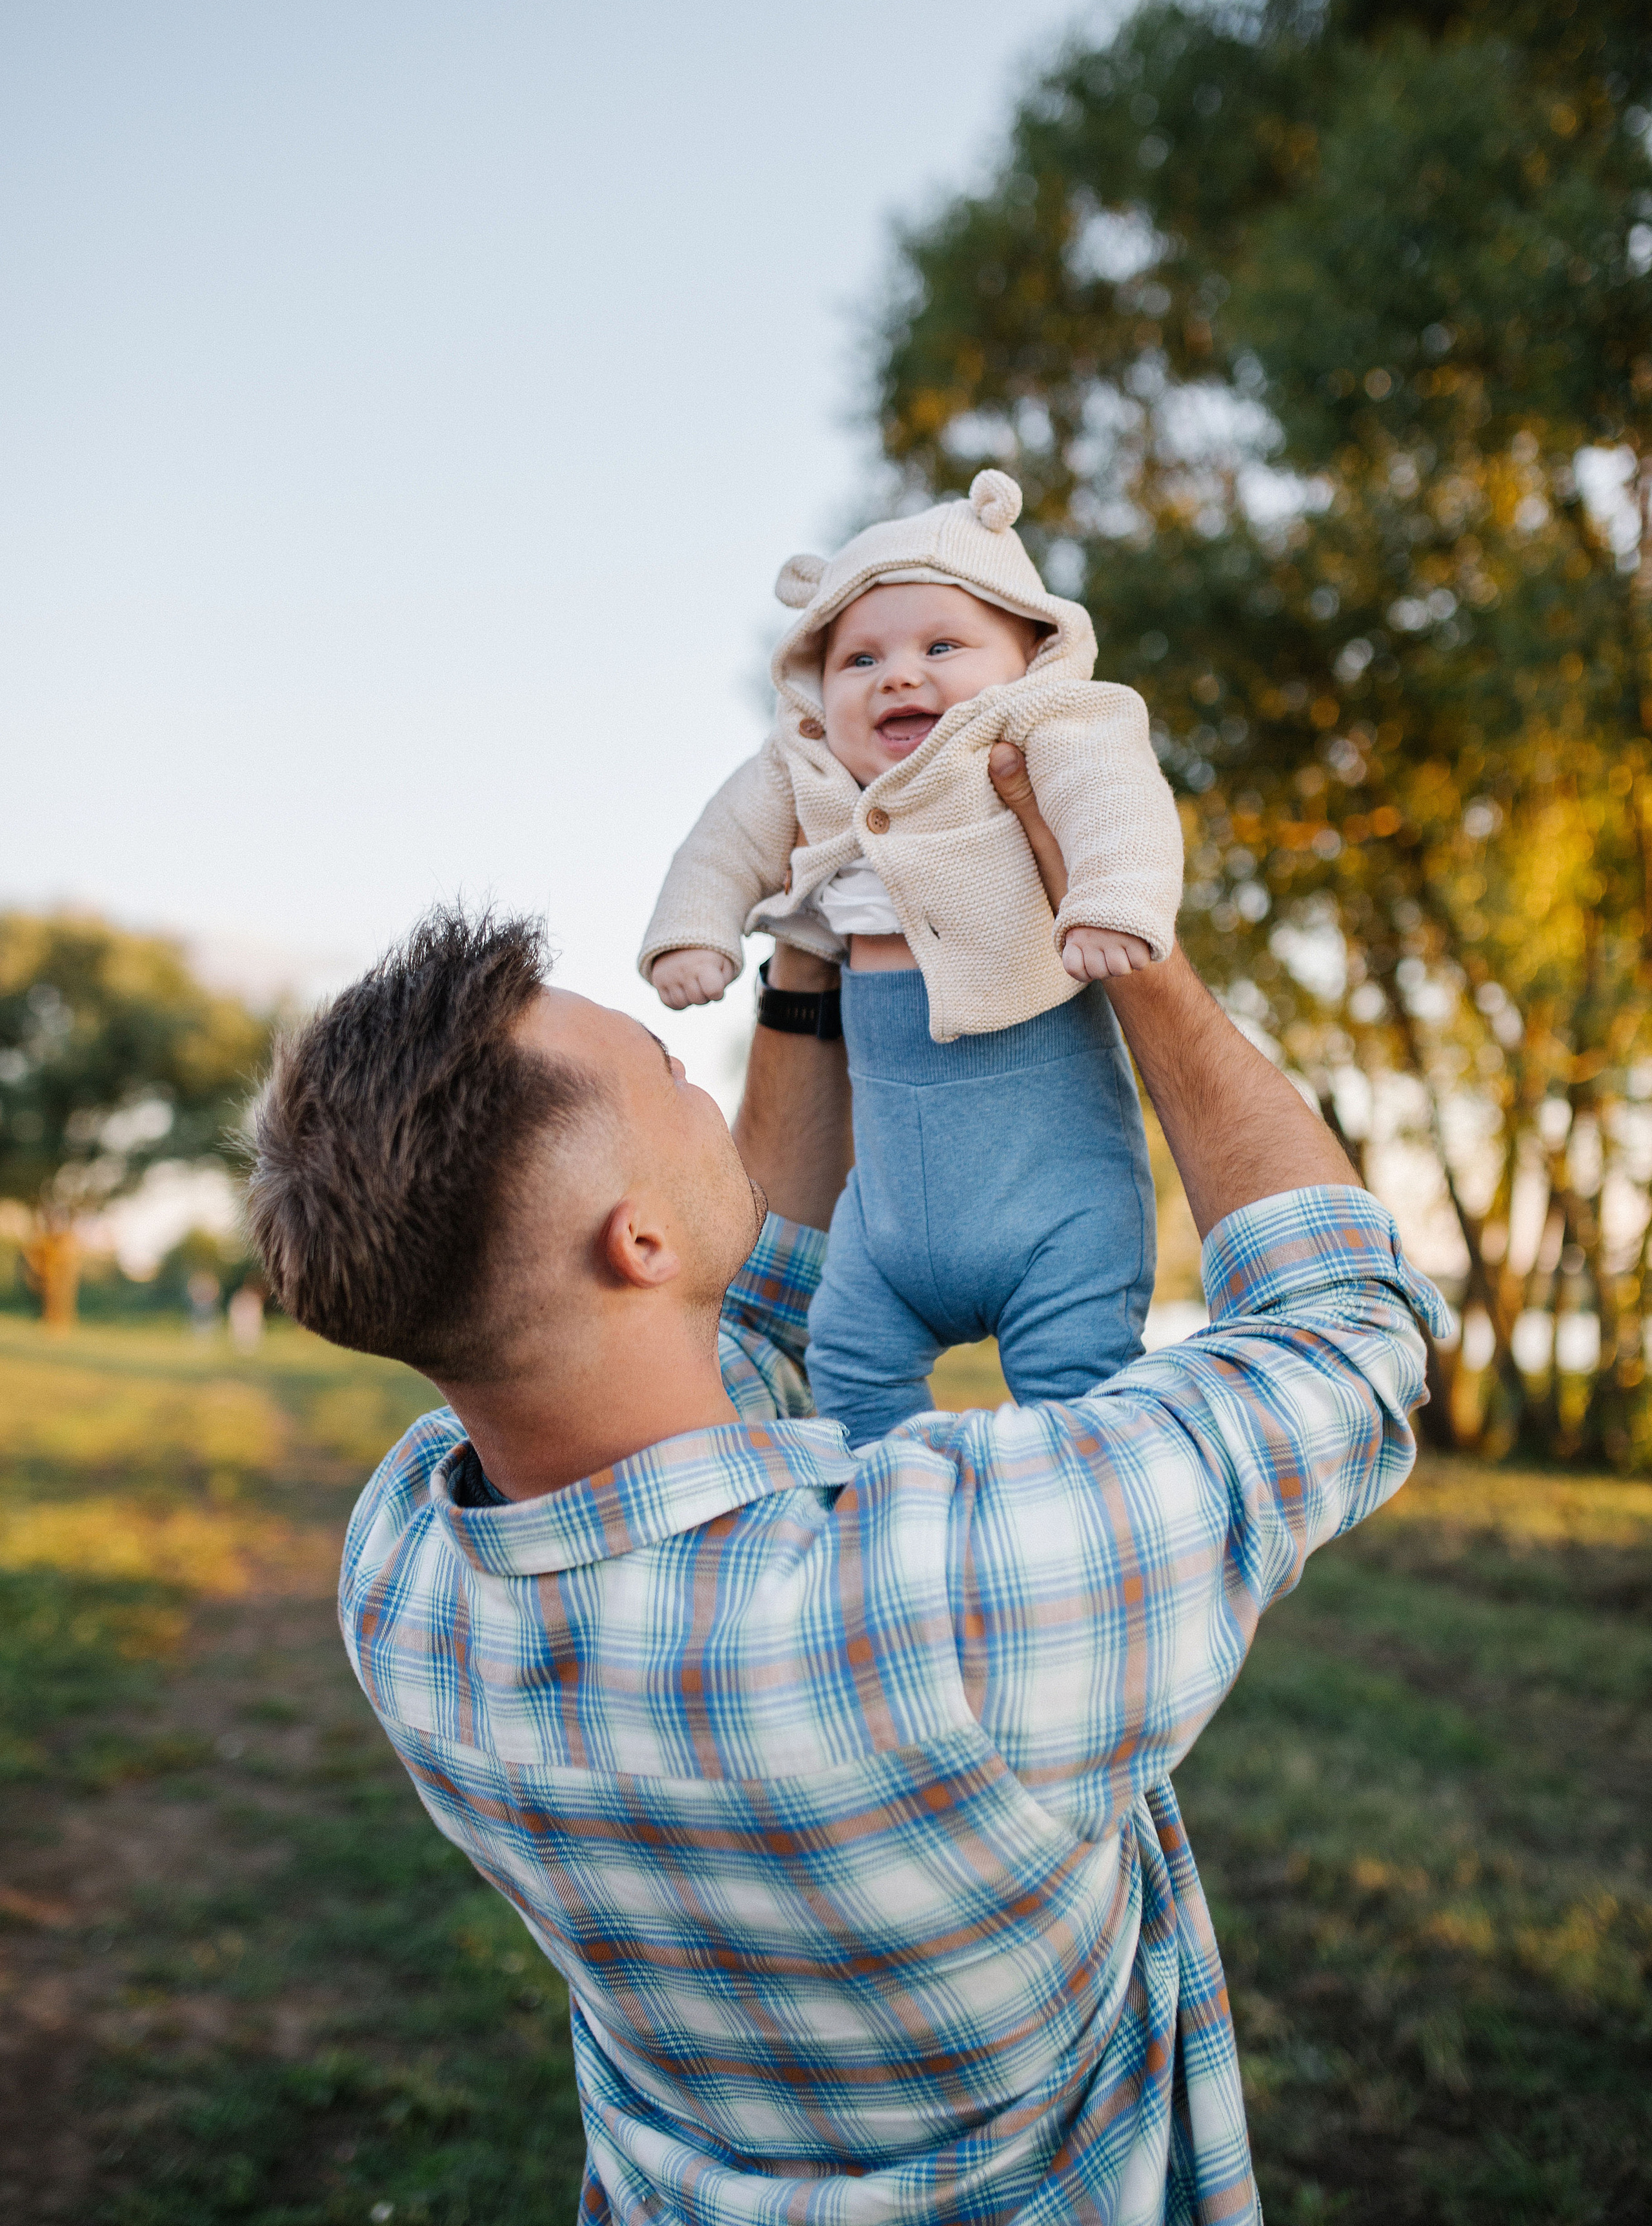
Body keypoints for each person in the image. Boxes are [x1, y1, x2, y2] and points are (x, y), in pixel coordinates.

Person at [245, 757, 1444, 2226]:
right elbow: (1340, 1329)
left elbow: (738, 1324)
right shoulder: (948, 1587)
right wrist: (1130, 941)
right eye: (669, 1072)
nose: (704, 1085)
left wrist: (807, 957)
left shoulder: (403, 1578)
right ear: (635, 1243)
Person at [639, 471, 1185, 1439]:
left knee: (1082, 1399)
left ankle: (1042, 1547)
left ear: (1030, 659)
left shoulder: (1047, 731)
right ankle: (895, 1524)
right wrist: (696, 928)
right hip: (886, 1223)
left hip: (1055, 1202)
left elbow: (1119, 802)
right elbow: (721, 845)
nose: (899, 675)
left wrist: (1108, 898)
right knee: (847, 1373)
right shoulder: (806, 771)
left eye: (943, 647)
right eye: (860, 660)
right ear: (816, 687)